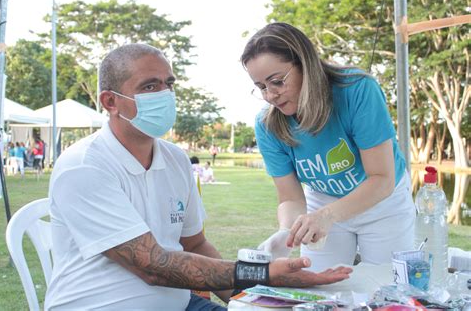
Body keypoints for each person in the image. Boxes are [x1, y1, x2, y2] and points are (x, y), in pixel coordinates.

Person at [45, 43, 352, 310]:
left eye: (169, 84)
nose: (165, 95)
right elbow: (152, 266)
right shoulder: (84, 166)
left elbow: (194, 245)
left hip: (180, 304)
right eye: (150, 87)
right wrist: (264, 274)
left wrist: (261, 296)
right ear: (110, 102)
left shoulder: (176, 159)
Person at [241, 22, 416, 272]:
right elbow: (290, 197)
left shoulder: (357, 90)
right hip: (322, 202)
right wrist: (287, 231)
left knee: (385, 286)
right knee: (320, 285)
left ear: (305, 64)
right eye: (261, 87)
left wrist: (328, 216)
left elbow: (382, 179)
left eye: (277, 81)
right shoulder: (268, 125)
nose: (270, 95)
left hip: (382, 202)